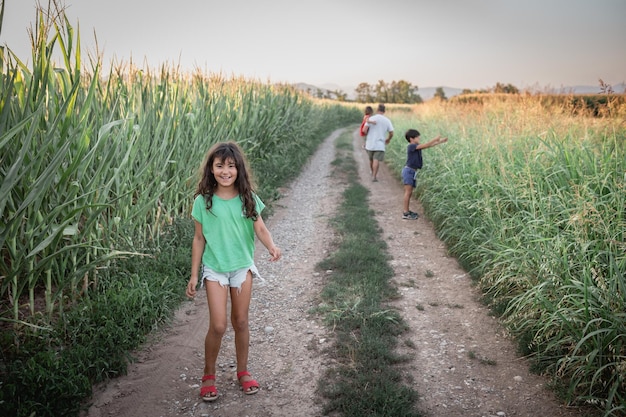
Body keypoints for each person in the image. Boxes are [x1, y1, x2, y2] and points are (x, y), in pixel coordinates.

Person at [186, 141, 281, 402]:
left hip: (241, 268)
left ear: (238, 169)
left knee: (240, 321)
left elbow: (260, 228)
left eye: (230, 166)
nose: (225, 171)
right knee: (218, 325)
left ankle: (242, 371)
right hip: (215, 269)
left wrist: (271, 246)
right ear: (211, 169)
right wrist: (195, 275)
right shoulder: (203, 203)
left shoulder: (247, 198)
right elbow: (198, 239)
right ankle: (209, 375)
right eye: (219, 166)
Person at [401, 129, 447, 220]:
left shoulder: (416, 146)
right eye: (417, 137)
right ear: (411, 139)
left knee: (409, 193)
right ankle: (405, 213)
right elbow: (426, 145)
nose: (419, 138)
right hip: (409, 171)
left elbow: (428, 146)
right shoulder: (411, 146)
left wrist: (440, 141)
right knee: (408, 192)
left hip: (412, 172)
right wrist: (435, 139)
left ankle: (407, 211)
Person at [364, 103, 394, 182]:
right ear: (384, 111)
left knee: (371, 160)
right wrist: (388, 139)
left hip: (370, 143)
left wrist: (369, 134)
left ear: (377, 110)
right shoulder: (387, 120)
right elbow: (391, 133)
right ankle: (374, 176)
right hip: (380, 144)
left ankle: (372, 172)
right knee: (376, 160)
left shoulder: (371, 118)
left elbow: (364, 130)